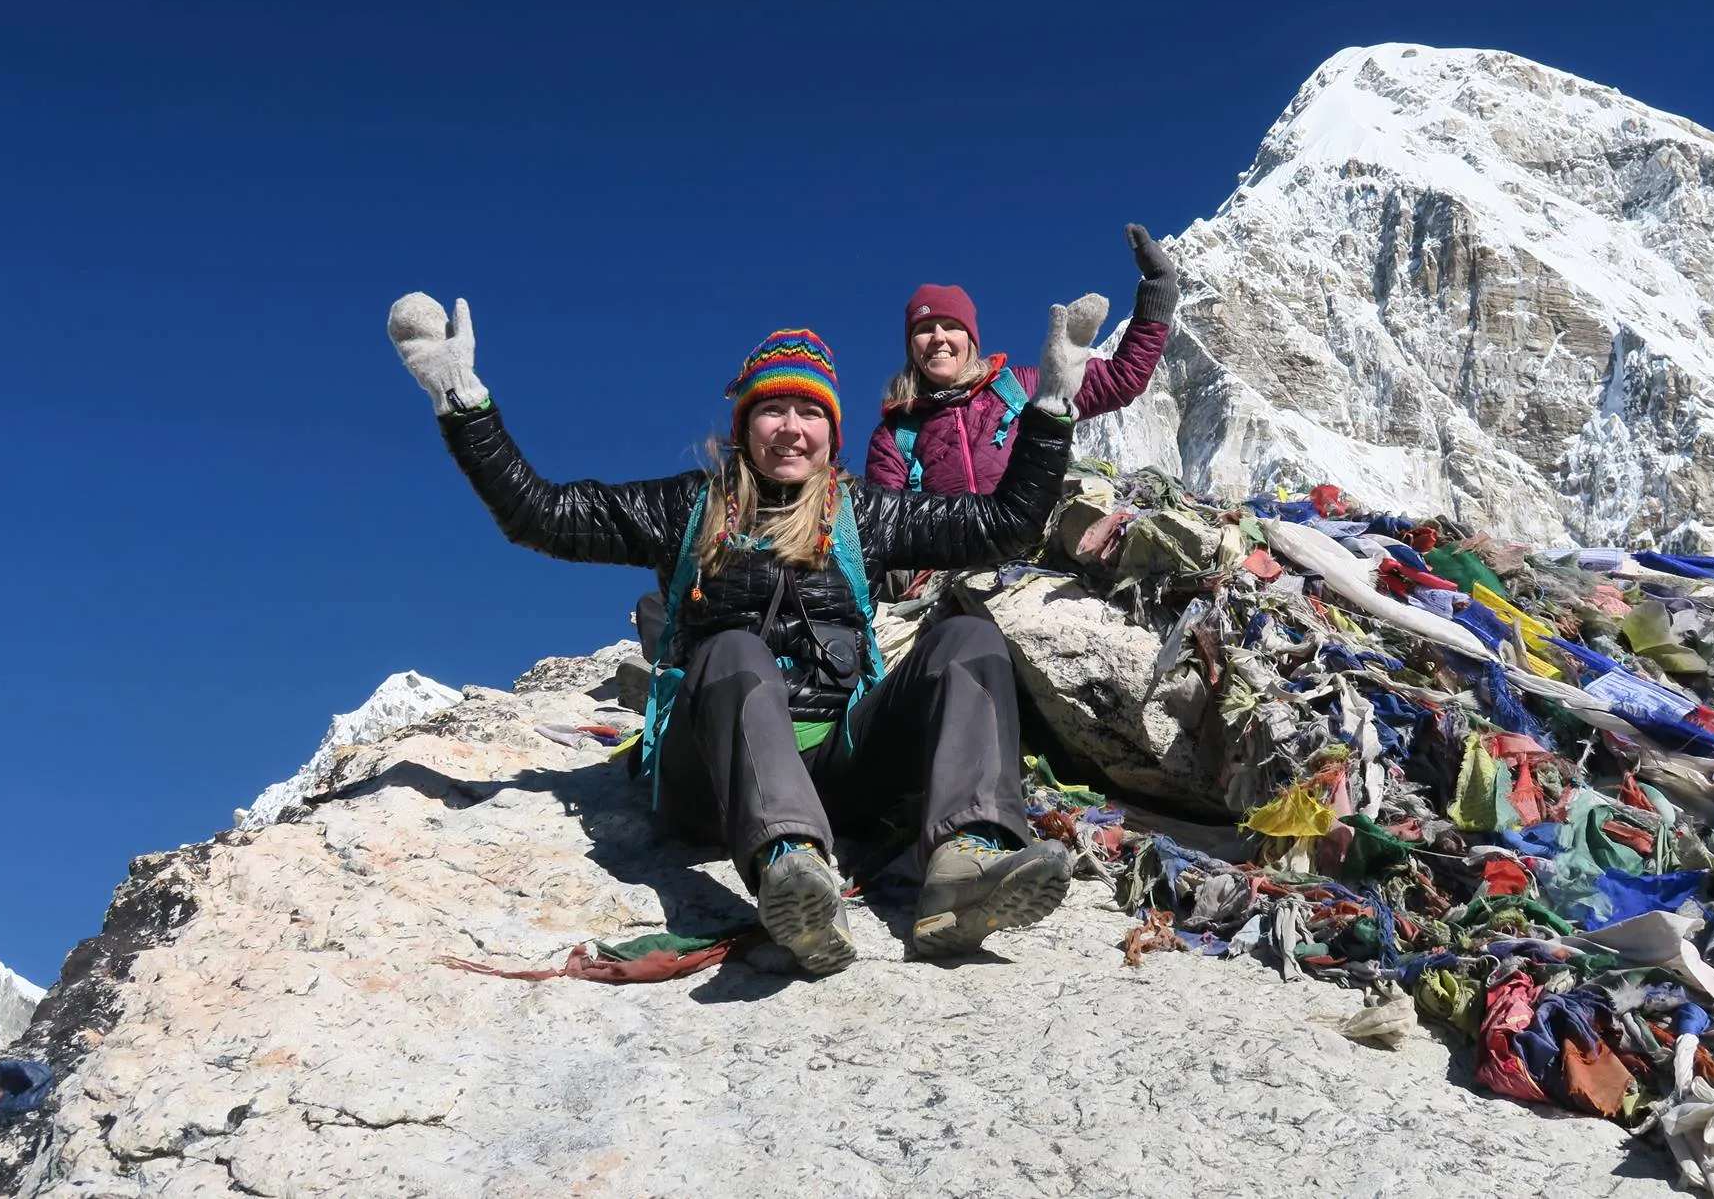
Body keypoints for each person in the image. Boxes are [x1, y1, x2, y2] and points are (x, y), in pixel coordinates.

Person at [386, 290, 1110, 976]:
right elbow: (540, 515)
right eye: (774, 410)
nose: (792, 428)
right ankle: (790, 873)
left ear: (833, 432)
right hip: (711, 775)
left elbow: (1005, 523)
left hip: (839, 767)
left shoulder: (867, 515)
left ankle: (965, 868)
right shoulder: (686, 508)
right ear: (744, 426)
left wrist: (1050, 406)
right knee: (733, 648)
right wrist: (462, 401)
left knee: (969, 641)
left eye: (810, 411)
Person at [865, 224, 1178, 495]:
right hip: (947, 565)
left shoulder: (1022, 388)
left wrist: (1159, 290)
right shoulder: (895, 436)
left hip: (1035, 554)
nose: (938, 337)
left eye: (950, 326)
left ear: (971, 340)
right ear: (911, 346)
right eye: (923, 329)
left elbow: (1121, 380)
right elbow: (888, 524)